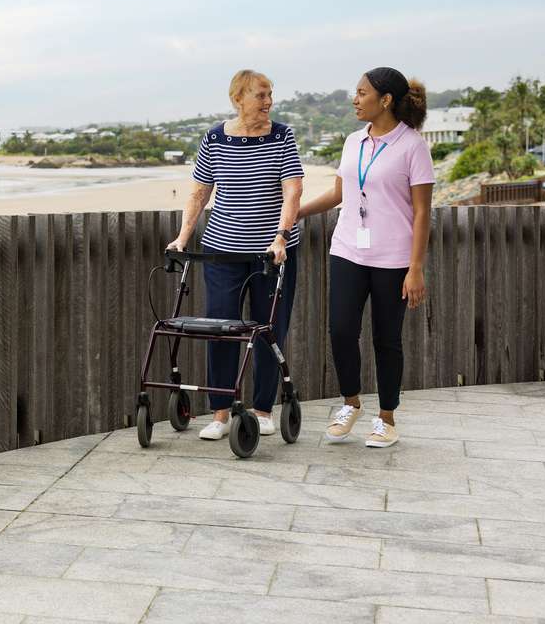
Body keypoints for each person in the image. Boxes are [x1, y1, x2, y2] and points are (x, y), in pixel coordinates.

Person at [298, 67, 434, 448]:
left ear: (385, 99)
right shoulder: (353, 141)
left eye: (361, 93)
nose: (354, 100)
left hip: (393, 258)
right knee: (341, 330)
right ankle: (350, 403)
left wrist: (416, 268)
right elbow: (339, 194)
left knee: (386, 339)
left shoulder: (412, 146)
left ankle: (386, 417)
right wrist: (298, 212)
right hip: (347, 250)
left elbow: (423, 211)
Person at [167, 69, 304, 440]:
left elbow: (292, 190)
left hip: (271, 254)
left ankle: (262, 410)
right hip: (221, 250)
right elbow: (199, 192)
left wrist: (281, 236)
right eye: (261, 95)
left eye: (270, 94)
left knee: (267, 329)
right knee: (221, 329)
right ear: (237, 98)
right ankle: (221, 413)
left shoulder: (281, 135)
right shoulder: (214, 137)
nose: (268, 102)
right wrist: (183, 237)